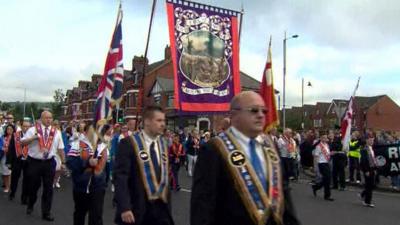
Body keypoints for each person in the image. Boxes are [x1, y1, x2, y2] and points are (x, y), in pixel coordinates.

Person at [191, 91, 300, 225]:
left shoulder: (271, 146)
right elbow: (203, 206)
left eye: (264, 111)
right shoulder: (213, 150)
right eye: (254, 110)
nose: (260, 115)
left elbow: (284, 194)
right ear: (234, 115)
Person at [114, 105, 174, 225]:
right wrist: (125, 207)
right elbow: (121, 177)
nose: (163, 124)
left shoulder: (164, 145)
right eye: (159, 120)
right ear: (147, 121)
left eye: (164, 120)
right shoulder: (128, 144)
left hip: (161, 211)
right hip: (137, 210)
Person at [21, 111, 65, 221]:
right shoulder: (33, 130)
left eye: (50, 118)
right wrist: (33, 138)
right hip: (34, 162)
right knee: (34, 187)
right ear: (41, 119)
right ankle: (31, 203)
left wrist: (64, 162)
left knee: (48, 188)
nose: (49, 120)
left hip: (49, 162)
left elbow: (60, 148)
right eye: (46, 118)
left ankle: (46, 212)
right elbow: (22, 143)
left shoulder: (57, 132)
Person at [67, 124, 107, 225]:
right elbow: (71, 163)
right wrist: (87, 163)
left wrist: (104, 182)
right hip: (81, 187)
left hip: (98, 187)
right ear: (85, 133)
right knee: (80, 214)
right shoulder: (77, 145)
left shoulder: (103, 147)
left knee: (96, 215)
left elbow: (107, 167)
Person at [7, 120, 31, 202]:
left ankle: (24, 198)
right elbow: (11, 149)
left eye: (28, 126)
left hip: (28, 161)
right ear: (21, 126)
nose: (26, 128)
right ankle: (12, 193)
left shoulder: (32, 137)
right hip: (17, 159)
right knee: (15, 178)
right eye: (24, 126)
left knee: (27, 180)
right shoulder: (15, 135)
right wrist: (9, 162)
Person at [312, 132, 334, 201]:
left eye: (326, 137)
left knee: (327, 179)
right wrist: (316, 166)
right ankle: (327, 196)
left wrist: (331, 153)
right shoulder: (318, 146)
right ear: (321, 138)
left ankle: (316, 187)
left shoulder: (327, 145)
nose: (325, 139)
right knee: (327, 178)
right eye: (324, 137)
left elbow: (327, 154)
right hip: (321, 164)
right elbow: (316, 156)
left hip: (326, 163)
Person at [359, 134, 377, 207]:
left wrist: (375, 169)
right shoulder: (364, 149)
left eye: (373, 140)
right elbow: (363, 161)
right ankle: (367, 202)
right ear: (367, 140)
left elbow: (373, 159)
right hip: (367, 169)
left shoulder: (371, 148)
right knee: (369, 186)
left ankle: (362, 194)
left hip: (372, 168)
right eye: (370, 140)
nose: (372, 141)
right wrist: (366, 171)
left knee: (371, 185)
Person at [1, 124, 14, 193]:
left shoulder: (15, 137)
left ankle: (8, 187)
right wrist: (2, 148)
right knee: (3, 172)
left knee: (8, 173)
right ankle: (6, 184)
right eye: (8, 129)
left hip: (11, 157)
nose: (9, 130)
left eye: (11, 129)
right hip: (3, 156)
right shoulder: (3, 137)